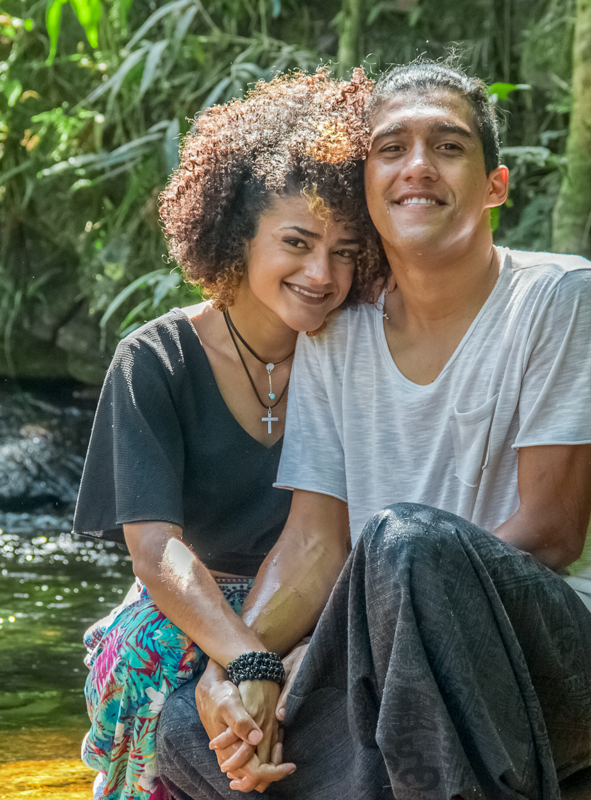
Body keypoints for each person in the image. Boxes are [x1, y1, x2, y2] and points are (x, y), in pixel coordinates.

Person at [155, 60, 591, 800]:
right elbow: (313, 543)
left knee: (406, 544)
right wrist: (244, 667)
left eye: (449, 147)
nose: (417, 167)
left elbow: (553, 533)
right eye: (391, 148)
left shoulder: (563, 298)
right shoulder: (335, 336)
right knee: (186, 729)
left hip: (564, 669)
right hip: (389, 661)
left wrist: (340, 647)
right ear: (364, 186)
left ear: (496, 186)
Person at [70, 68, 384, 800]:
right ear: (237, 237)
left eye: (345, 252)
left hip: (323, 597)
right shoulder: (153, 360)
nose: (323, 273)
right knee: (143, 648)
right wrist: (246, 661)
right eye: (299, 243)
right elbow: (155, 550)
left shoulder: (358, 350)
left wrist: (264, 661)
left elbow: (327, 542)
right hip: (192, 608)